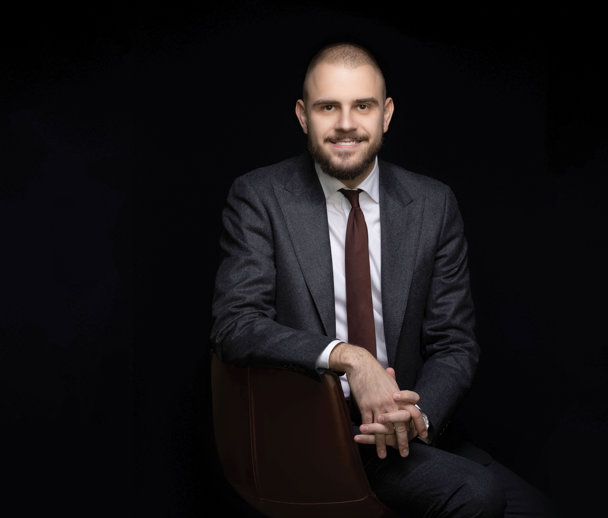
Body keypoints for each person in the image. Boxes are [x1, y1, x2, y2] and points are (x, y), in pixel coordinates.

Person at [211, 41, 552, 518]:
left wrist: (417, 416)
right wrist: (349, 358)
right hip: (308, 437)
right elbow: (236, 326)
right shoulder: (259, 197)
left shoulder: (432, 205)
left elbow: (454, 343)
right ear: (303, 116)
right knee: (477, 495)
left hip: (404, 433)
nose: (346, 123)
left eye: (363, 106)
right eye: (328, 107)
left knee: (536, 509)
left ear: (386, 114)